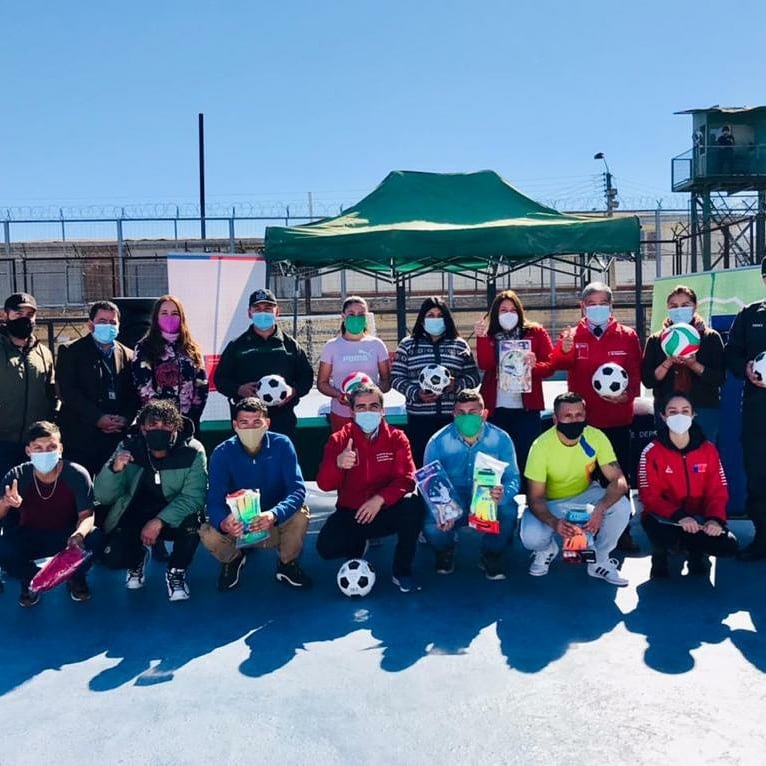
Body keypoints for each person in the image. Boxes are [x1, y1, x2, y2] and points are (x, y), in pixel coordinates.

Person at [551, 281, 642, 553]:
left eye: (603, 303)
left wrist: (625, 396)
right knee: (586, 481)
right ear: (582, 306)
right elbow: (559, 365)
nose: (597, 308)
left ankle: (622, 531)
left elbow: (636, 377)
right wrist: (566, 348)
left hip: (617, 420)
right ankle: (584, 532)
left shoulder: (627, 336)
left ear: (611, 306)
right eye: (591, 304)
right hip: (582, 425)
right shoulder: (571, 335)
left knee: (618, 477)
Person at [94, 400, 206, 601]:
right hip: (138, 512)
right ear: (143, 429)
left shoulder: (193, 450)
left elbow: (194, 497)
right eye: (153, 425)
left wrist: (159, 521)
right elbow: (103, 496)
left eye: (166, 425)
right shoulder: (128, 447)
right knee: (111, 558)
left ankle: (177, 571)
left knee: (193, 523)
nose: (159, 429)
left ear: (177, 426)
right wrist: (114, 470)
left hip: (175, 513)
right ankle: (137, 559)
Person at [316, 383, 422, 593]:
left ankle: (402, 571)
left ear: (382, 410)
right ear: (352, 411)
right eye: (361, 407)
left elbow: (407, 479)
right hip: (352, 511)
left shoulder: (397, 438)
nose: (367, 411)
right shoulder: (339, 439)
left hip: (386, 509)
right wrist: (338, 464)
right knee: (326, 549)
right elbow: (325, 484)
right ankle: (358, 543)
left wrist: (380, 499)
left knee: (413, 505)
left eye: (373, 406)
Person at [519, 392, 631, 586]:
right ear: (555, 419)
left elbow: (619, 480)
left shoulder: (596, 437)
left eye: (579, 415)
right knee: (531, 537)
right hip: (551, 502)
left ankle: (600, 558)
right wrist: (555, 523)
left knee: (622, 507)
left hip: (586, 495)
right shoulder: (540, 447)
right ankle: (547, 550)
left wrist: (600, 509)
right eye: (567, 416)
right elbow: (535, 498)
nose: (574, 420)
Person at [199, 397, 311, 591]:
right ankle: (233, 560)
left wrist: (274, 514)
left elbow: (297, 489)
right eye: (244, 423)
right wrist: (225, 523)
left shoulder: (283, 445)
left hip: (273, 523)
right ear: (235, 425)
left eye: (256, 422)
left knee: (300, 515)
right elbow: (214, 500)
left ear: (267, 423)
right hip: (239, 527)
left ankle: (287, 564)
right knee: (207, 532)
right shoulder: (221, 453)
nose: (250, 428)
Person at [421, 389, 520, 580]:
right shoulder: (437, 442)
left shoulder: (501, 439)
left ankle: (491, 553)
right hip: (452, 499)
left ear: (484, 414)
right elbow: (430, 481)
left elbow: (513, 477)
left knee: (508, 509)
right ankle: (445, 550)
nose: (467, 417)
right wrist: (441, 509)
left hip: (487, 500)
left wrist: (503, 494)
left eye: (473, 412)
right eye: (461, 413)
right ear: (454, 414)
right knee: (431, 523)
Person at [0, 421, 102, 607]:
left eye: (51, 447)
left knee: (95, 537)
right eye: (38, 448)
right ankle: (31, 581)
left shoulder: (77, 474)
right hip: (30, 535)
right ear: (28, 451)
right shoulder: (17, 475)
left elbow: (87, 515)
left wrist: (78, 535)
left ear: (60, 448)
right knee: (3, 548)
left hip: (66, 536)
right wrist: (5, 503)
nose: (45, 453)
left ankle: (75, 577)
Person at [638, 392, 737, 579]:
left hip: (699, 518)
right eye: (673, 411)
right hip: (668, 518)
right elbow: (650, 497)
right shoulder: (651, 452)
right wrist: (680, 517)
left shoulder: (708, 450)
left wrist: (714, 519)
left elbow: (718, 491)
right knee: (662, 533)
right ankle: (661, 555)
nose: (679, 416)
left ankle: (696, 552)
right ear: (663, 416)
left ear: (693, 415)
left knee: (728, 545)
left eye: (685, 411)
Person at [213, 288, 314, 442]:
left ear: (277, 311)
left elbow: (306, 377)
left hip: (282, 420)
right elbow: (220, 379)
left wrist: (293, 391)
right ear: (249, 313)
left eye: (268, 308)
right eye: (257, 309)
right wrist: (239, 389)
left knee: (281, 463)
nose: (263, 313)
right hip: (247, 421)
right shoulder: (237, 346)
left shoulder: (290, 346)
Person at [474, 289, 555, 477]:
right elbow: (485, 364)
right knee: (495, 457)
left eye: (512, 310)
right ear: (495, 314)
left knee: (526, 456)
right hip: (496, 408)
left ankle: (528, 496)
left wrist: (535, 366)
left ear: (520, 311)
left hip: (526, 409)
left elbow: (550, 366)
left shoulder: (535, 332)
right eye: (503, 310)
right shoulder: (489, 335)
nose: (508, 314)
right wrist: (482, 338)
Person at [391, 296, 480, 466]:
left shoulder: (459, 345)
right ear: (422, 319)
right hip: (420, 419)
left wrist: (456, 386)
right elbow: (396, 377)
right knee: (424, 465)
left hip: (451, 418)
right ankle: (422, 493)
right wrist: (416, 393)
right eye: (430, 315)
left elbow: (473, 377)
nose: (435, 319)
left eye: (440, 315)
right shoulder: (408, 345)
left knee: (452, 464)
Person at [56, 300, 140, 476]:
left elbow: (135, 394)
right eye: (102, 321)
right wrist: (97, 418)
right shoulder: (71, 351)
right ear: (90, 324)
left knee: (109, 492)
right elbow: (68, 392)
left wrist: (125, 418)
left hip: (115, 438)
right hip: (80, 438)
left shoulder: (129, 354)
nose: (108, 325)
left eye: (112, 322)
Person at [641, 285, 725, 442]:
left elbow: (719, 378)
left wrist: (694, 365)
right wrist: (667, 363)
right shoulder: (656, 340)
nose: (679, 310)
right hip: (667, 410)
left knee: (703, 459)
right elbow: (648, 380)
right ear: (667, 308)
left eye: (685, 305)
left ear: (695, 307)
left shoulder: (710, 337)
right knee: (668, 458)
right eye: (673, 306)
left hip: (704, 409)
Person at [724, 256, 766, 560]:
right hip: (757, 411)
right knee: (758, 474)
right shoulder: (749, 315)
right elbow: (732, 355)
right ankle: (762, 537)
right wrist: (747, 367)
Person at [131, 294, 209, 434]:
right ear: (156, 317)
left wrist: (192, 415)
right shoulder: (144, 347)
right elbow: (143, 387)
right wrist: (162, 419)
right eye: (164, 313)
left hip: (188, 421)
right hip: (159, 425)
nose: (169, 317)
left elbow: (202, 383)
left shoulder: (191, 347)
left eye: (174, 313)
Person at [0, 293, 56, 480]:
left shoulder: (43, 353)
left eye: (30, 314)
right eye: (18, 312)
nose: (25, 318)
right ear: (5, 315)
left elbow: (51, 392)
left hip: (34, 446)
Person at [317, 295, 391, 432]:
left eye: (361, 314)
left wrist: (369, 396)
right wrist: (339, 395)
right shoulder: (331, 346)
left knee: (374, 452)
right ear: (343, 316)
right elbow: (322, 383)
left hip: (372, 415)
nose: (356, 317)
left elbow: (387, 381)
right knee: (345, 452)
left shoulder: (377, 345)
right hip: (342, 414)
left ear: (366, 317)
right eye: (351, 314)